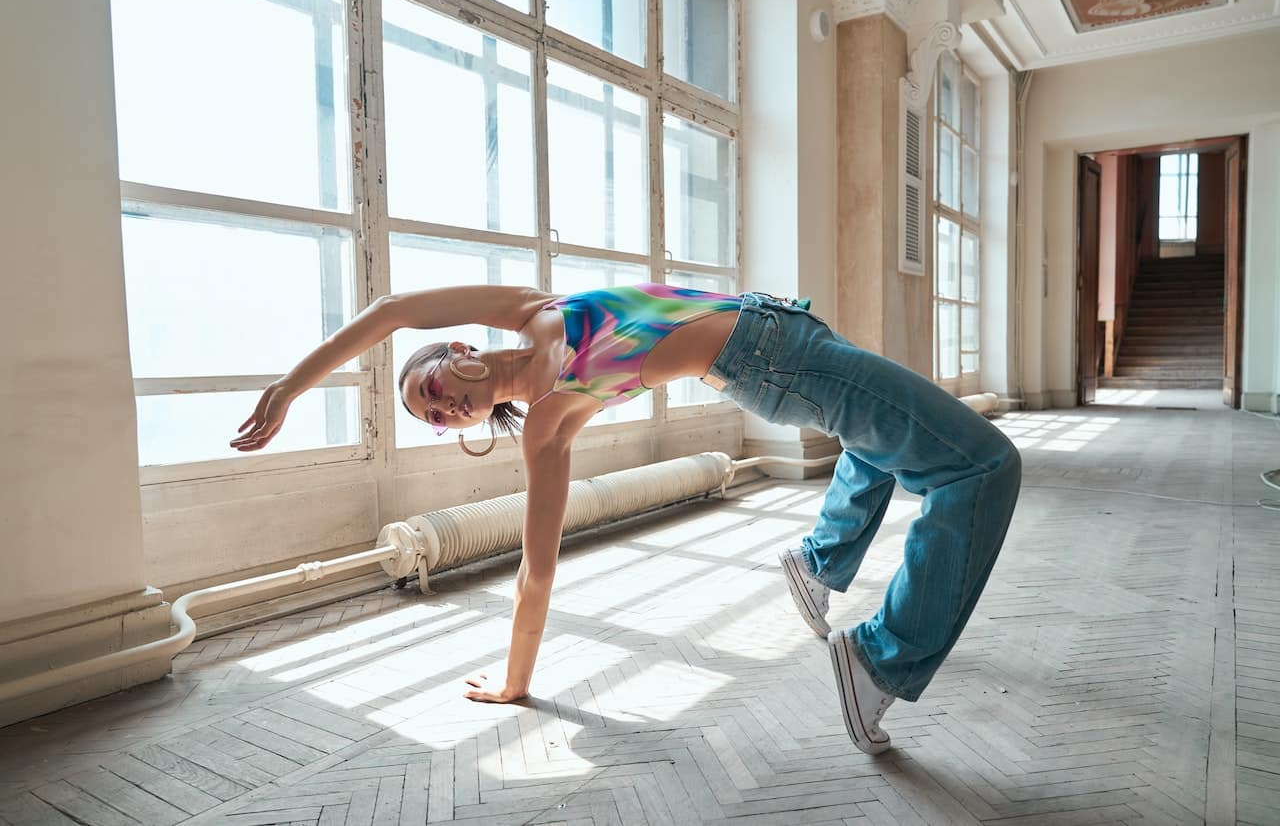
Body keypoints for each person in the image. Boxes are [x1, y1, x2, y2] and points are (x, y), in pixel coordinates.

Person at [231, 282, 1021, 755]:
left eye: (432, 387)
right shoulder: (547, 419)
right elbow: (536, 569)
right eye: (436, 419)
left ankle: (817, 564)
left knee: (877, 440)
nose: (444, 407)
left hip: (780, 327)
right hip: (774, 362)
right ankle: (880, 661)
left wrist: (291, 389)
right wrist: (515, 683)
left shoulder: (533, 311)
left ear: (458, 352)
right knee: (983, 465)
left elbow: (394, 309)